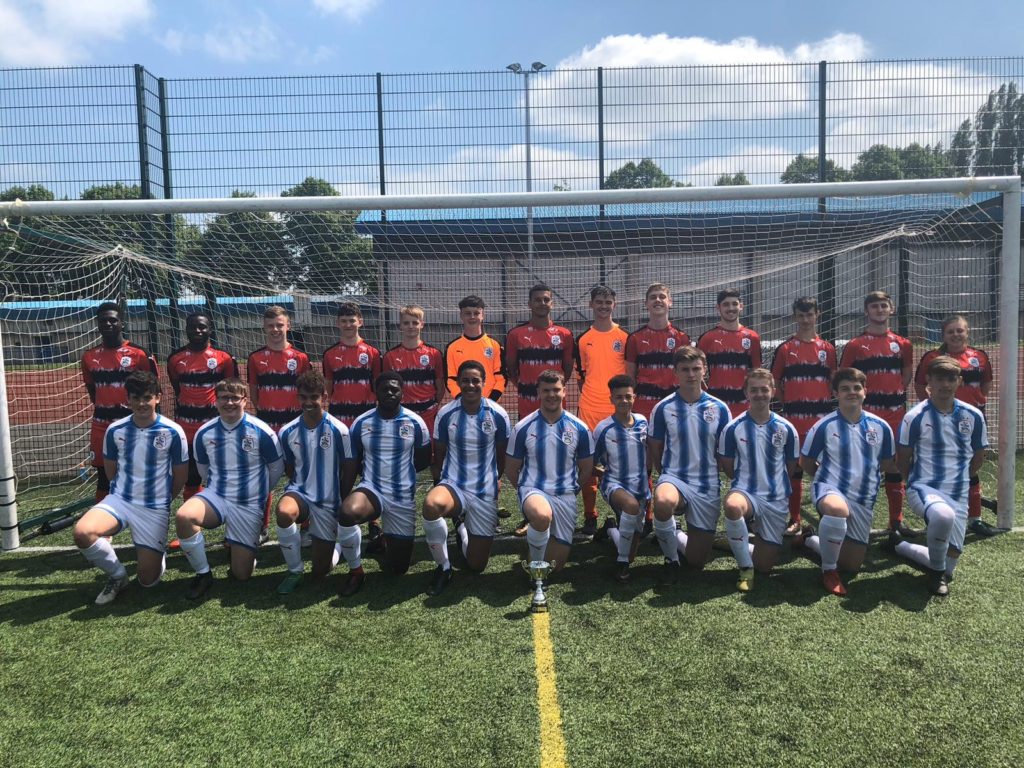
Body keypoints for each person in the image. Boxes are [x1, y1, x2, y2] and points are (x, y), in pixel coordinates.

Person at [72, 371, 188, 605]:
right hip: (121, 500)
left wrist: (162, 501)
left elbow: (180, 477)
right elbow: (111, 471)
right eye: (135, 398)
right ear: (128, 400)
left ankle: (157, 552)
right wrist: (123, 494)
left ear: (157, 397)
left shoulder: (173, 431)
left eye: (147, 397)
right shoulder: (116, 430)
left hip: (153, 507)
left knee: (148, 581)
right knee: (82, 532)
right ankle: (117, 576)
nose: (141, 403)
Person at [175, 378, 285, 600]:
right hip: (217, 496)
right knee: (184, 516)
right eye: (224, 397)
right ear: (216, 401)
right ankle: (203, 574)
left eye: (235, 398)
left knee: (241, 575)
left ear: (245, 401)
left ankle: (241, 546)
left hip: (248, 503)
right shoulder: (204, 433)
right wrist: (215, 491)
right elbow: (204, 470)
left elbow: (276, 468)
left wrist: (258, 493)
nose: (230, 402)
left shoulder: (262, 431)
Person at [891, 356, 988, 597]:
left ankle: (898, 545)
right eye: (940, 379)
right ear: (929, 381)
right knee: (942, 517)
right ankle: (935, 577)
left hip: (957, 491)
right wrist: (912, 482)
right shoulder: (915, 416)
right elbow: (902, 460)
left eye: (951, 379)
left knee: (950, 560)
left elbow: (978, 457)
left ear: (959, 381)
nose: (945, 384)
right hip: (924, 487)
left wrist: (961, 479)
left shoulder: (973, 415)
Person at [797, 368, 896, 596]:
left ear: (865, 392)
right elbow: (806, 461)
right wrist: (825, 480)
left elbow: (884, 463)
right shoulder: (824, 425)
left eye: (856, 388)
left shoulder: (881, 427)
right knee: (836, 509)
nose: (851, 392)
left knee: (850, 565)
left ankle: (809, 539)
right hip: (830, 488)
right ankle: (828, 571)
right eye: (845, 389)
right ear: (836, 393)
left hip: (862, 498)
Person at [421, 361, 512, 595]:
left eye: (475, 380)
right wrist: (441, 484)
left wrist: (493, 481)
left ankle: (462, 526)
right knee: (432, 505)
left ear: (484, 383)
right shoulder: (446, 413)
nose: (470, 385)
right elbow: (438, 456)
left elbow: (502, 458)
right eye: (465, 380)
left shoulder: (499, 415)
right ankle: (443, 567)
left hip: (484, 491)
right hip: (455, 485)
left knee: (477, 566)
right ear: (458, 383)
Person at [336, 372, 432, 594]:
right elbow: (355, 460)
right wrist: (346, 493)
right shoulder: (362, 422)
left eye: (394, 389)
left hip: (401, 497)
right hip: (373, 489)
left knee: (398, 569)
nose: (390, 392)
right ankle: (356, 572)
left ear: (402, 393)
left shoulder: (416, 422)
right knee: (348, 513)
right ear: (375, 392)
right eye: (384, 389)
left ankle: (384, 541)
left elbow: (423, 459)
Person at [648, 346, 730, 583]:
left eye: (696, 369)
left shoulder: (720, 408)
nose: (691, 375)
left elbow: (724, 450)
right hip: (675, 478)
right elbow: (656, 446)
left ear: (705, 370)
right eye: (685, 369)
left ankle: (675, 533)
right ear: (675, 372)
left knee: (696, 562)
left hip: (706, 485)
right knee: (663, 502)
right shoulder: (664, 407)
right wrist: (665, 474)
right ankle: (671, 558)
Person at [274, 370, 359, 595]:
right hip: (300, 492)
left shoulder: (339, 430)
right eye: (304, 397)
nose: (309, 402)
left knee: (321, 571)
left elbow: (350, 466)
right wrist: (300, 485)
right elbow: (290, 468)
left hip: (328, 501)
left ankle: (338, 546)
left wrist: (340, 497)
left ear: (324, 397)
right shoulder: (287, 431)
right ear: (298, 397)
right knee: (283, 512)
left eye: (314, 397)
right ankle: (294, 571)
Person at [839, 291, 915, 537]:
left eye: (884, 306)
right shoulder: (855, 345)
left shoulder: (903, 344)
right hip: (866, 415)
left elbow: (906, 375)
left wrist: (890, 395)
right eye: (874, 306)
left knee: (894, 466)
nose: (879, 310)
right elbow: (845, 378)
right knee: (861, 466)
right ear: (866, 311)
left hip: (895, 414)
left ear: (891, 309)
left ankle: (896, 521)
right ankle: (854, 516)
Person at [913, 314, 996, 537]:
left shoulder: (979, 356)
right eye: (951, 331)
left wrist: (973, 406)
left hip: (971, 421)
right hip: (941, 420)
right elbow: (920, 384)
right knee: (939, 466)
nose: (956, 335)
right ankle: (935, 515)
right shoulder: (933, 357)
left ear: (967, 332)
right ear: (943, 335)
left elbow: (986, 384)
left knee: (972, 466)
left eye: (960, 330)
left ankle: (974, 518)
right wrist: (931, 409)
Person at [717, 369, 800, 592]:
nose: (760, 394)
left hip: (775, 499)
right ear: (746, 392)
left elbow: (791, 466)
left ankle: (737, 541)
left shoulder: (787, 428)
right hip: (746, 491)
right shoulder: (733, 428)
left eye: (764, 389)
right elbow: (727, 465)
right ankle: (745, 568)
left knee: (764, 566)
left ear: (773, 391)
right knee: (733, 505)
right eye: (754, 390)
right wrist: (744, 482)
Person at [505, 370, 594, 574]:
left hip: (565, 497)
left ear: (564, 392)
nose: (551, 395)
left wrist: (572, 490)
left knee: (556, 568)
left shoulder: (580, 428)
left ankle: (536, 539)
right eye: (546, 390)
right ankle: (535, 559)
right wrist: (525, 492)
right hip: (534, 490)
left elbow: (586, 467)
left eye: (556, 390)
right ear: (539, 392)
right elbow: (511, 469)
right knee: (542, 515)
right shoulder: (523, 427)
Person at [505, 284, 574, 537]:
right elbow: (511, 369)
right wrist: (528, 390)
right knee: (527, 458)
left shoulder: (564, 334)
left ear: (552, 304)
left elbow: (566, 370)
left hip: (555, 408)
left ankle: (558, 506)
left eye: (546, 300)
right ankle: (530, 513)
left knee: (557, 456)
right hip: (527, 405)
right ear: (529, 303)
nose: (542, 303)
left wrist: (551, 394)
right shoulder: (516, 334)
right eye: (537, 300)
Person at [166, 312, 239, 548]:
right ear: (186, 329)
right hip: (187, 429)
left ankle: (234, 530)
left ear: (210, 329)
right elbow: (178, 388)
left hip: (216, 431)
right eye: (193, 327)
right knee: (191, 479)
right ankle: (191, 529)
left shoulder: (224, 359)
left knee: (226, 477)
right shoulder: (175, 359)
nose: (197, 331)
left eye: (202, 327)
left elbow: (232, 392)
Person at [769, 296, 836, 535]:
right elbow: (774, 381)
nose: (806, 319)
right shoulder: (786, 349)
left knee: (824, 468)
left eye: (810, 314)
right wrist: (790, 404)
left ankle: (828, 514)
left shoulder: (827, 348)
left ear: (817, 315)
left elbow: (833, 381)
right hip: (795, 420)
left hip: (821, 421)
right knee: (795, 470)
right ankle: (795, 518)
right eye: (801, 315)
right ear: (795, 317)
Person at [80, 301, 159, 502]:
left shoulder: (139, 354)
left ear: (122, 323)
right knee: (103, 476)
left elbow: (154, 391)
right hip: (102, 424)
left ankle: (145, 513)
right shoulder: (88, 357)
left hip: (134, 423)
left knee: (141, 469)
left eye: (113, 320)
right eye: (103, 321)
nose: (108, 324)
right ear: (97, 324)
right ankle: (103, 529)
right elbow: (92, 390)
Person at [246, 305, 311, 541]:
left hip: (294, 427)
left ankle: (305, 526)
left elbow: (307, 393)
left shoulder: (300, 358)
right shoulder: (255, 358)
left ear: (288, 326)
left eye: (280, 325)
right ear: (264, 327)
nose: (275, 329)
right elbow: (254, 394)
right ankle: (261, 527)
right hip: (267, 428)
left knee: (300, 475)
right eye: (271, 325)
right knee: (264, 479)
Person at [574, 285, 628, 537]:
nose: (603, 306)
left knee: (624, 464)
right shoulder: (583, 340)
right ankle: (590, 516)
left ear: (614, 305)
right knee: (589, 465)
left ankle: (632, 512)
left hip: (616, 410)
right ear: (591, 305)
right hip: (589, 410)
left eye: (608, 302)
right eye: (599, 302)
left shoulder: (625, 338)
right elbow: (581, 376)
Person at [592, 375, 649, 583]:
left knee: (633, 548)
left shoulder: (643, 422)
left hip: (641, 487)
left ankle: (610, 529)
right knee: (631, 506)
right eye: (619, 397)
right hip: (614, 485)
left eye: (628, 396)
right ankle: (622, 565)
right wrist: (605, 475)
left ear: (635, 397)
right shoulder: (603, 428)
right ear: (611, 399)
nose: (624, 401)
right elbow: (590, 462)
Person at [625, 282, 691, 419]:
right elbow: (630, 377)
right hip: (644, 406)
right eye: (653, 297)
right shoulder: (635, 338)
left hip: (675, 405)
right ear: (646, 304)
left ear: (670, 302)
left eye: (662, 297)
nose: (658, 300)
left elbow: (687, 374)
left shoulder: (682, 338)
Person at [697, 288, 762, 418]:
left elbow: (757, 374)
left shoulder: (752, 338)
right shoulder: (707, 338)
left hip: (744, 407)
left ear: (741, 306)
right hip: (715, 406)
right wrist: (707, 393)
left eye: (734, 304)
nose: (731, 308)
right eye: (726, 304)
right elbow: (696, 372)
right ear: (718, 308)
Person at [383, 305, 446, 435]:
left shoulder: (434, 354)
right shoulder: (389, 356)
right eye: (406, 323)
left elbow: (440, 387)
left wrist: (432, 406)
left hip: (428, 413)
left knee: (428, 451)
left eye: (415, 322)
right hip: (401, 414)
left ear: (422, 324)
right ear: (400, 325)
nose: (410, 326)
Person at [323, 301, 383, 427]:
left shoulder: (373, 353)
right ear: (338, 323)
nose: (348, 325)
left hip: (367, 413)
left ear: (360, 322)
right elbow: (328, 384)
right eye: (344, 321)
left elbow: (377, 383)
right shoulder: (329, 354)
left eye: (352, 320)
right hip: (339, 414)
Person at [444, 295, 505, 401]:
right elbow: (450, 379)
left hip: (489, 404)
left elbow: (501, 378)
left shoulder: (495, 345)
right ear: (461, 316)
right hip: (463, 405)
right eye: (468, 313)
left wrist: (490, 401)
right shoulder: (452, 347)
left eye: (476, 313)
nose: (472, 317)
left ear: (483, 315)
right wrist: (461, 400)